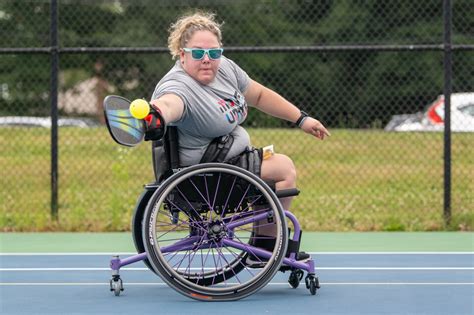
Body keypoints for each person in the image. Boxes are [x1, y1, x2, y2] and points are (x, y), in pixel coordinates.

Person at [146, 11, 330, 263]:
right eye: (198, 53)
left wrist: (302, 119)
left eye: (214, 53)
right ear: (183, 54)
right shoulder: (179, 86)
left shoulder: (225, 70)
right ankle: (266, 246)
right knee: (284, 168)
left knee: (273, 160)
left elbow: (259, 96)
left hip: (227, 161)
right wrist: (155, 113)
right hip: (204, 175)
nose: (207, 59)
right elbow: (168, 104)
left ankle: (264, 243)